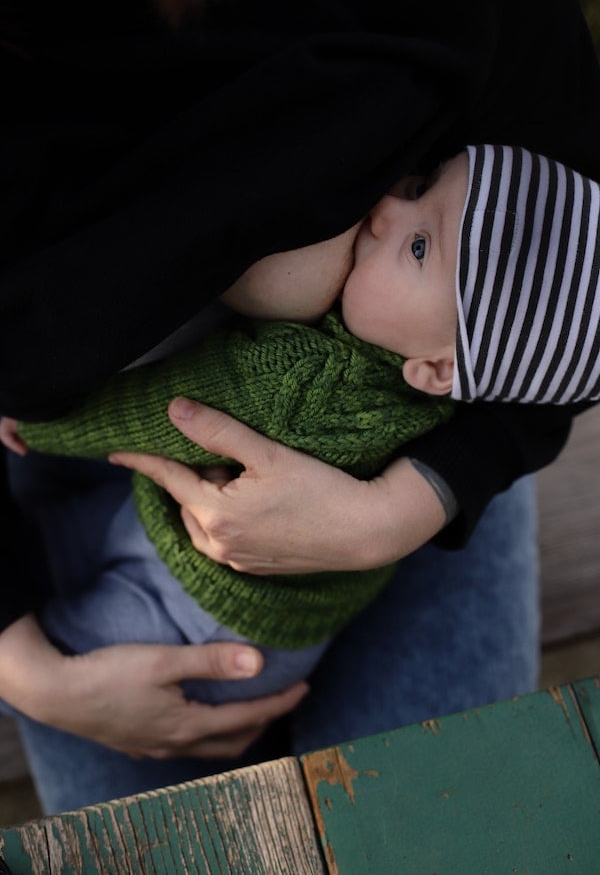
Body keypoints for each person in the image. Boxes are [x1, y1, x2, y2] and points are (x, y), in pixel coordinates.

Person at [0, 0, 599, 814]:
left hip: (421, 476)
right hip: (98, 507)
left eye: (419, 205)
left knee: (432, 827)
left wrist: (404, 507)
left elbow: (571, 296)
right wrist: (22, 665)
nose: (389, 210)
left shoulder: (458, 8)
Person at [3, 142, 599, 708]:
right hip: (231, 578)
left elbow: (150, 412)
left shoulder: (306, 377)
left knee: (69, 648)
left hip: (202, 618)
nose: (388, 207)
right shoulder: (422, 383)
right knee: (52, 547)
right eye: (422, 183)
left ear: (436, 370)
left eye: (419, 247)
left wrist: (32, 418)